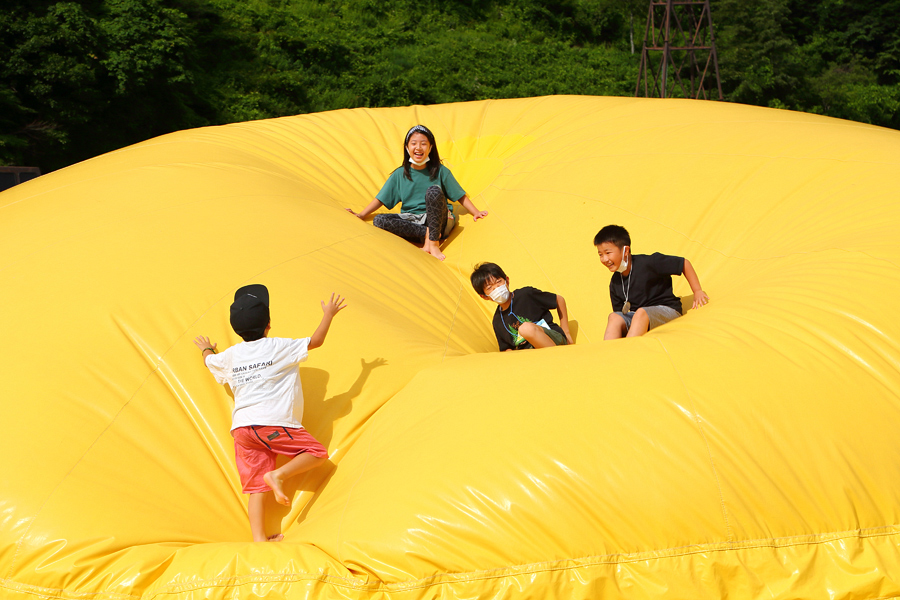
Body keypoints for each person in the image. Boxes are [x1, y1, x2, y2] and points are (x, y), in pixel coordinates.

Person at [193, 284, 346, 542]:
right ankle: (279, 475)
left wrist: (206, 347)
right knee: (316, 453)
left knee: (256, 488)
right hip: (272, 424)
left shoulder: (231, 355)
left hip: (242, 429)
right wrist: (328, 314)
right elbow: (316, 341)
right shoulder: (278, 347)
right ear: (269, 324)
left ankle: (259, 540)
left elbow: (210, 361)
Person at [347, 124, 489, 261]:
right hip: (415, 225)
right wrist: (361, 214)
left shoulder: (440, 171)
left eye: (423, 144)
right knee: (379, 220)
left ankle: (433, 242)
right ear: (407, 147)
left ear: (430, 147)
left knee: (433, 191)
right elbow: (381, 199)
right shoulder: (399, 175)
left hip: (439, 222)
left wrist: (475, 212)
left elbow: (460, 195)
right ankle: (427, 234)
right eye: (414, 143)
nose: (418, 147)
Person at [594, 225, 709, 339]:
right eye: (600, 255)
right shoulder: (615, 282)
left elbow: (683, 263)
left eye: (608, 253)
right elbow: (621, 314)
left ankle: (628, 350)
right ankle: (609, 353)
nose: (604, 259)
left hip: (666, 310)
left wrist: (697, 291)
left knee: (641, 313)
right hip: (638, 318)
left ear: (625, 250)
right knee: (614, 317)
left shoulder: (649, 263)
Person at [470, 262, 574, 351]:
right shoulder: (497, 321)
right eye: (489, 288)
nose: (496, 288)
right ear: (484, 296)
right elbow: (506, 349)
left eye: (498, 282)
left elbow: (559, 300)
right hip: (531, 355)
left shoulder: (526, 294)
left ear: (507, 280)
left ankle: (560, 358)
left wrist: (566, 332)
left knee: (525, 329)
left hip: (553, 339)